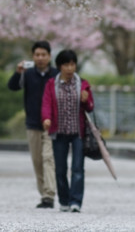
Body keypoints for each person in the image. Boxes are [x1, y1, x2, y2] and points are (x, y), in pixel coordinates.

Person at [40, 49, 94, 213]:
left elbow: (90, 107)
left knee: (78, 168)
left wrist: (86, 100)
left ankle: (76, 201)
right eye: (66, 65)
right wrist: (46, 119)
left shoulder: (83, 84)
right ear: (59, 66)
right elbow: (46, 104)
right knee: (60, 169)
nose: (70, 68)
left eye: (72, 64)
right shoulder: (51, 84)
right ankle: (64, 200)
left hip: (78, 133)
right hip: (59, 132)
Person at [7, 40, 59, 209]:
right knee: (37, 160)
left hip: (52, 124)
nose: (40, 58)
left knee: (48, 158)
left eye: (44, 55)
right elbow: (13, 87)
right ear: (32, 56)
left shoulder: (56, 74)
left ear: (50, 56)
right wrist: (17, 72)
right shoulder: (27, 74)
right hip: (33, 123)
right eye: (37, 55)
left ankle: (49, 195)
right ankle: (44, 193)